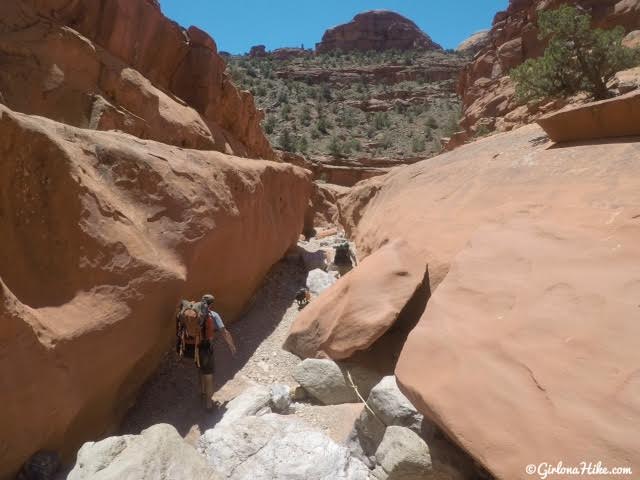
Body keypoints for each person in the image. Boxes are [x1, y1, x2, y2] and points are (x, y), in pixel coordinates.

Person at [176, 294, 237, 410]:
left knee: (199, 369)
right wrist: (232, 346)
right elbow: (224, 332)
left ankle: (202, 393)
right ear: (211, 304)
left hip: (193, 348)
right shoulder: (213, 315)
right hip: (206, 349)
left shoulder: (193, 314)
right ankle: (209, 405)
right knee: (208, 376)